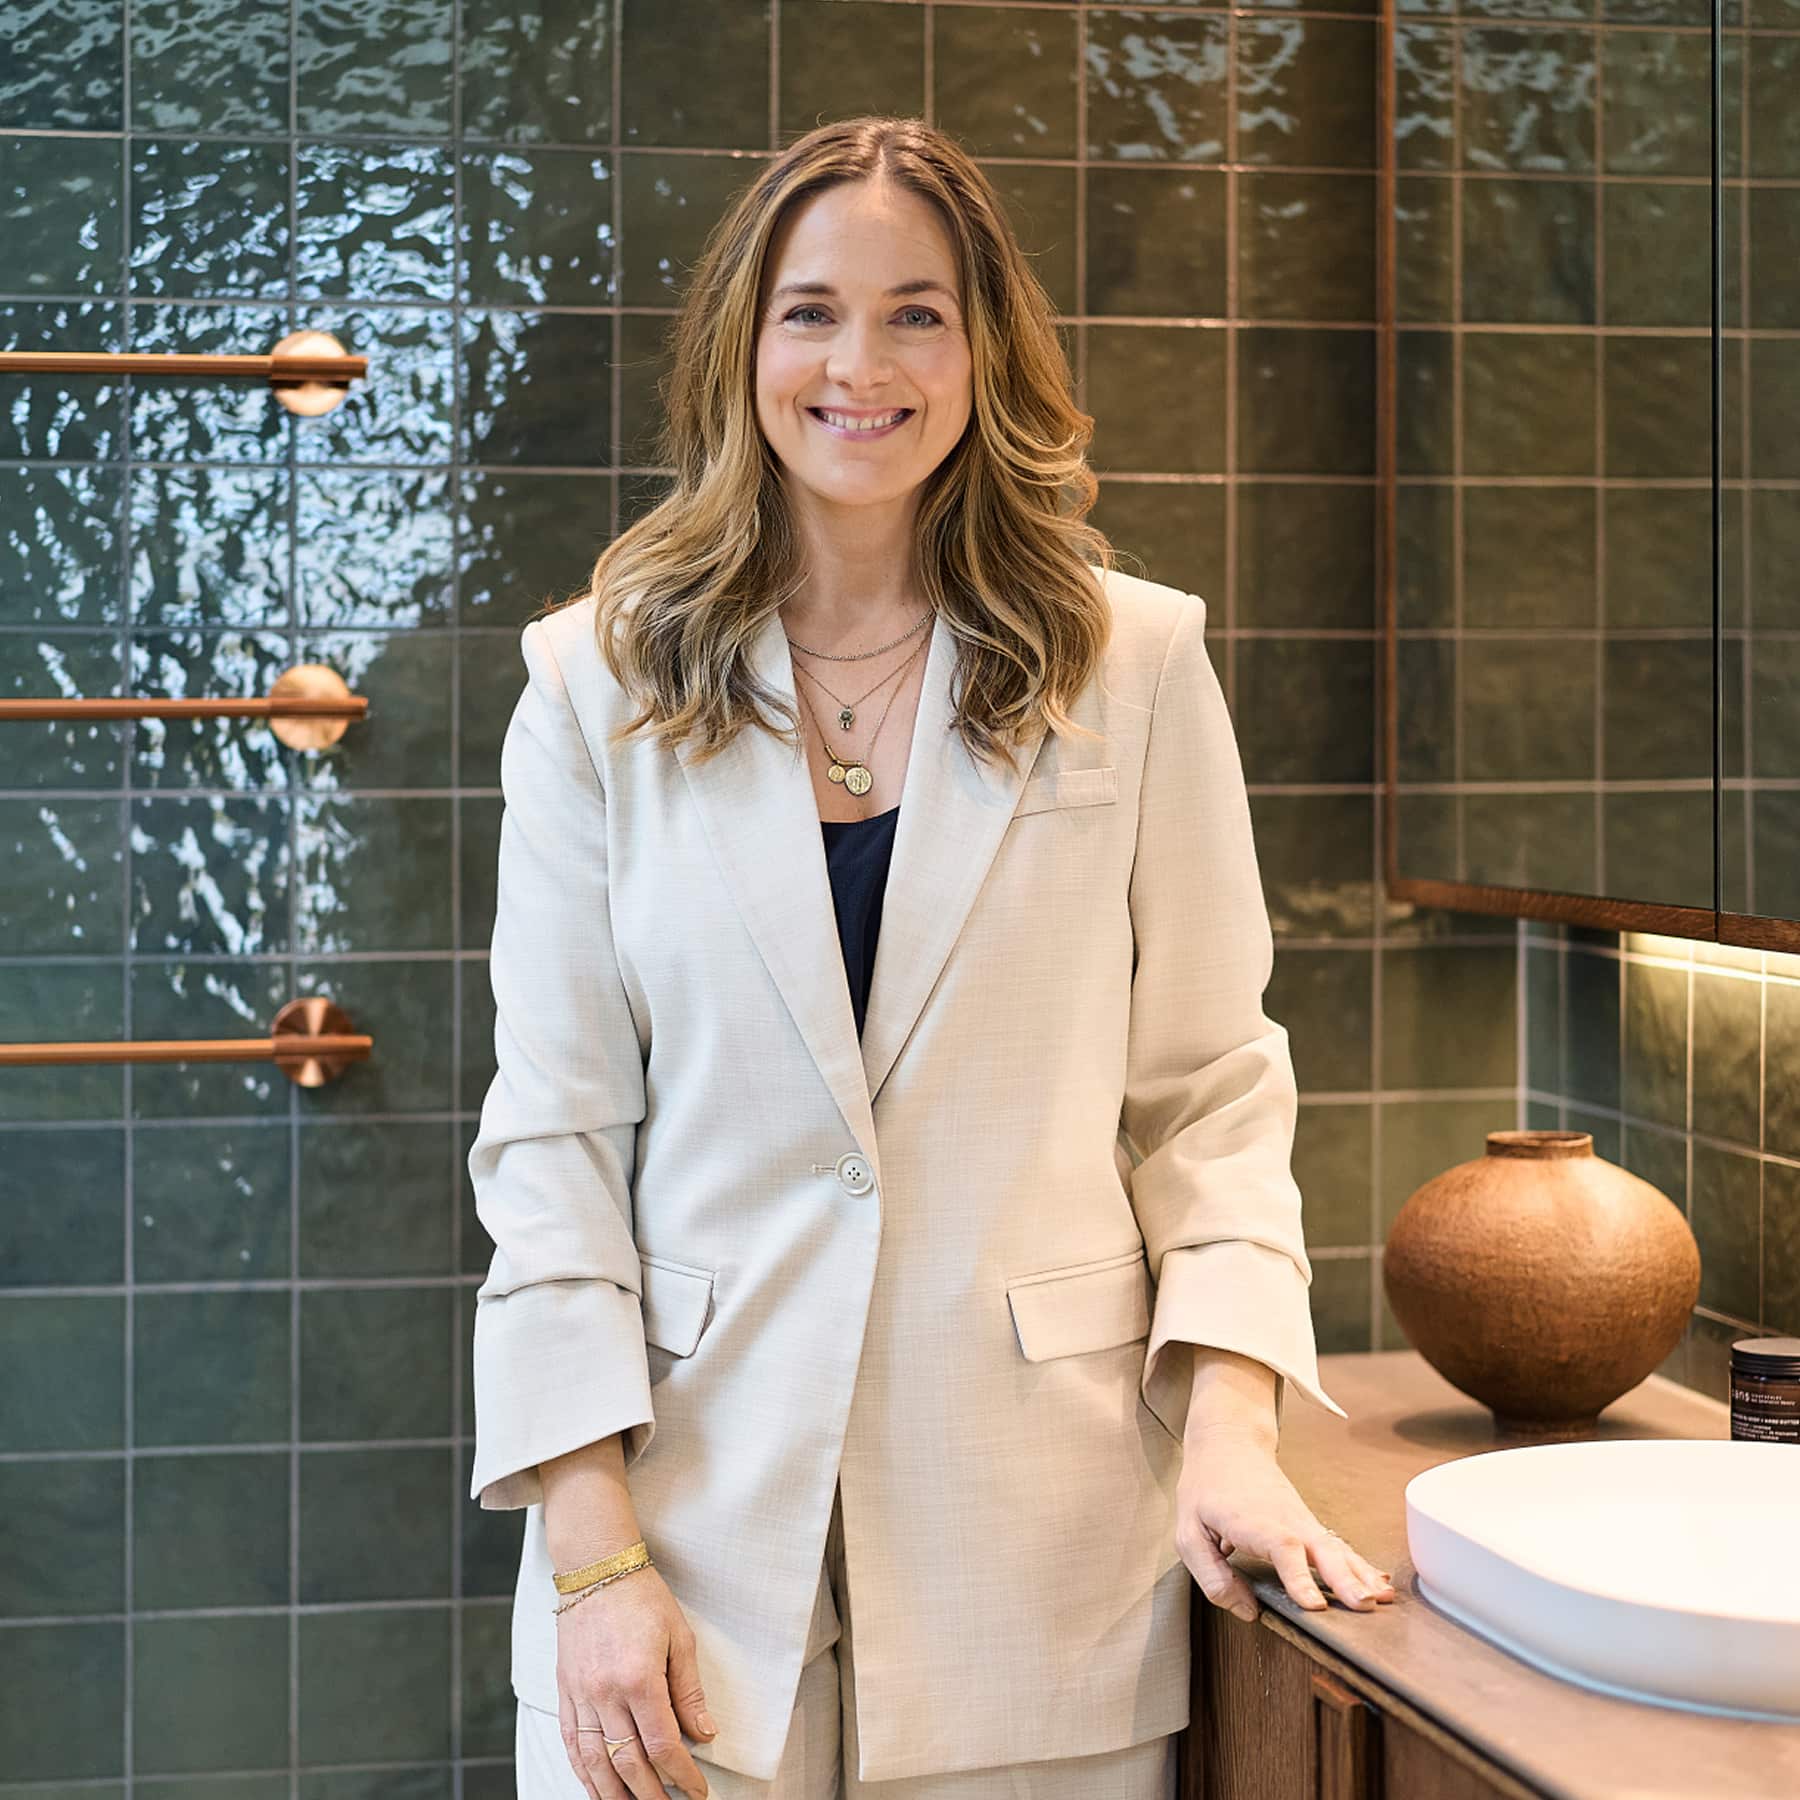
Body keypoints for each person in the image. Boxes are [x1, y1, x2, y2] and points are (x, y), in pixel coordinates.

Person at [468, 114, 1395, 1800]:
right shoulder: (592, 685)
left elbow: (1206, 1093)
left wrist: (1240, 1429)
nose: (859, 363)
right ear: (745, 344)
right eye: (812, 310)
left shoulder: (1134, 661)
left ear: (985, 354)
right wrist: (591, 1556)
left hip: (1033, 1558)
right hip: (679, 1553)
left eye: (918, 312)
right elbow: (553, 1138)